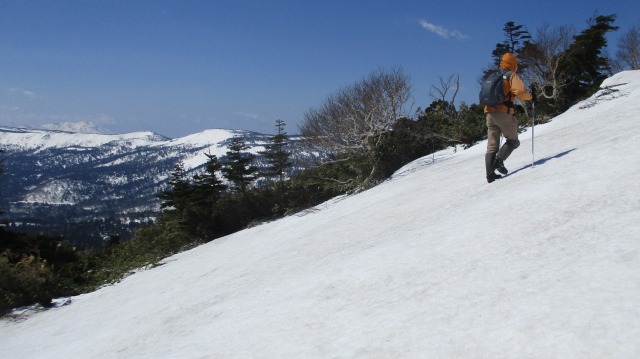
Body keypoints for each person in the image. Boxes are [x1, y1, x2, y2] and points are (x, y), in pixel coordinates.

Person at [484, 52, 533, 183]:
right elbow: (521, 92)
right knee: (513, 141)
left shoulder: (494, 76)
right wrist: (531, 97)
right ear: (513, 65)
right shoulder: (510, 75)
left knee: (492, 145)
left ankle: (490, 175)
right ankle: (499, 161)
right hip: (503, 113)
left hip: (489, 113)